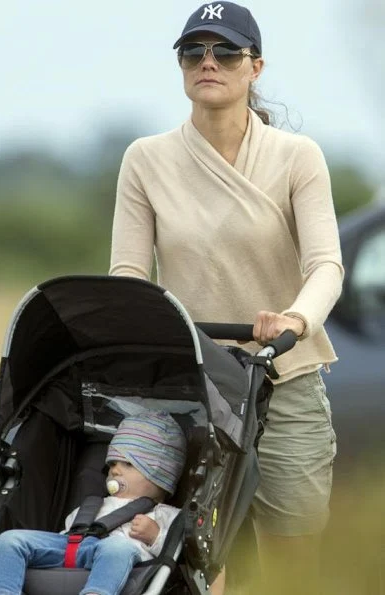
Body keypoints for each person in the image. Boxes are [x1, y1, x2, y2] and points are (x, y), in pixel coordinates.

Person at [109, 3, 343, 594]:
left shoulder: (298, 157)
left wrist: (296, 318)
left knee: (293, 554)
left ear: (255, 66)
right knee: (193, 548)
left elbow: (326, 266)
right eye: (194, 52)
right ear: (182, 66)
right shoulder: (145, 159)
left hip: (283, 373)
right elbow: (129, 274)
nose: (208, 63)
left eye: (226, 52)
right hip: (193, 381)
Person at [0, 411, 186, 595]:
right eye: (112, 464)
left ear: (160, 477)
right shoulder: (95, 504)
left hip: (115, 553)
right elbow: (66, 531)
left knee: (117, 548)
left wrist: (154, 536)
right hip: (71, 545)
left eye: (128, 464)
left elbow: (178, 554)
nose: (115, 471)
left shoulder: (165, 514)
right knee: (9, 540)